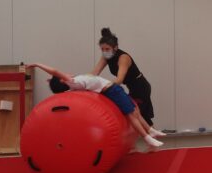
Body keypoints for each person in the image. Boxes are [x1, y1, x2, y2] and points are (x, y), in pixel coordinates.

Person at [27, 63, 165, 149]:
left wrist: (51, 81)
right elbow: (54, 70)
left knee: (135, 110)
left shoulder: (72, 85)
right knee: (131, 114)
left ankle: (150, 130)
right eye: (63, 75)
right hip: (112, 90)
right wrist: (37, 65)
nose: (66, 73)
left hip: (113, 89)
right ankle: (147, 138)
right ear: (63, 80)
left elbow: (56, 80)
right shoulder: (71, 81)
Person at [92, 28, 156, 126]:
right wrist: (81, 80)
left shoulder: (123, 58)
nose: (104, 52)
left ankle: (153, 134)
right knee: (140, 117)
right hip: (132, 86)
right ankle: (152, 134)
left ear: (115, 47)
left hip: (141, 87)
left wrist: (104, 85)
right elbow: (94, 73)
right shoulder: (106, 57)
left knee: (141, 117)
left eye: (107, 49)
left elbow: (119, 80)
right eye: (102, 49)